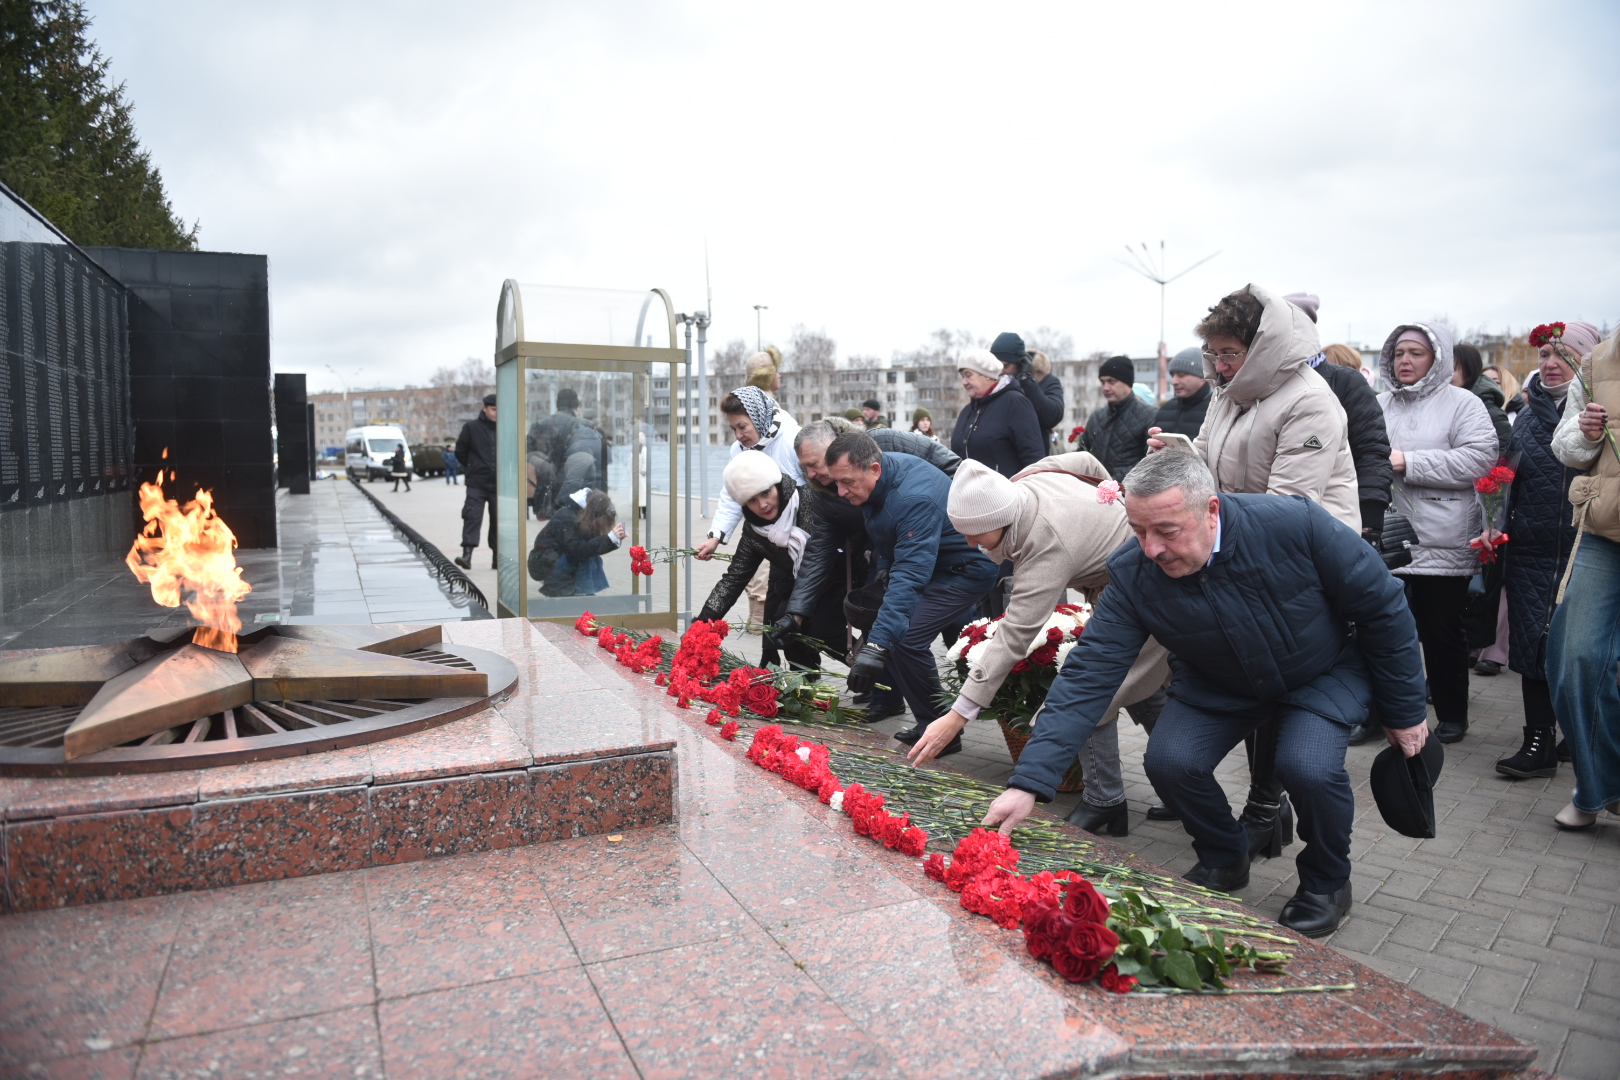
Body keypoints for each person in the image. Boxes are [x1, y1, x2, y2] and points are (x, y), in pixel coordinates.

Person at [980, 452, 1429, 938]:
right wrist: (1028, 782)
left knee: (1308, 767)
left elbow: (1383, 607)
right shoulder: (1133, 572)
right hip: (1219, 678)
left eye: (1167, 531)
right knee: (1170, 761)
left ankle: (1327, 882)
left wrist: (1405, 711)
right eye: (1138, 530)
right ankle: (1225, 856)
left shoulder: (1294, 524)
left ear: (1211, 509)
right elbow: (1090, 672)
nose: (1151, 549)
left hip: (1320, 669)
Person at [908, 454, 1174, 837]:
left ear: (999, 519)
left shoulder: (1045, 545)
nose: (969, 543)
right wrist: (1110, 499)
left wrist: (959, 714)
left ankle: (1107, 800)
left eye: (975, 533)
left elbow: (1015, 634)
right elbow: (1085, 461)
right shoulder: (1023, 481)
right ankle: (1174, 786)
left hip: (1140, 582)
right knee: (1136, 683)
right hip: (1114, 581)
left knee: (1091, 689)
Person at [828, 433, 1001, 752]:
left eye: (847, 482)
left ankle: (941, 731)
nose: (841, 491)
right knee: (902, 634)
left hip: (965, 569)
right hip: (937, 563)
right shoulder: (880, 481)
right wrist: (884, 570)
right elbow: (891, 538)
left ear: (874, 469)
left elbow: (911, 574)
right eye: (836, 482)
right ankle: (935, 721)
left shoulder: (911, 497)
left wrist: (876, 646)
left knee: (904, 639)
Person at [781, 419, 961, 723]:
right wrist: (796, 612)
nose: (811, 474)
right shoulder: (822, 493)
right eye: (804, 468)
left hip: (944, 543)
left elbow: (954, 469)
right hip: (885, 555)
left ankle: (974, 700)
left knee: (955, 627)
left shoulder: (886, 443)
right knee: (879, 621)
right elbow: (819, 550)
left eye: (814, 464)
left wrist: (957, 522)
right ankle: (887, 698)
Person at [1378, 322, 1497, 744]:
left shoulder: (1463, 403)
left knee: (1441, 632)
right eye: (1399, 353)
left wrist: (1407, 461)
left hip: (1441, 537)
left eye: (1416, 353)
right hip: (1386, 536)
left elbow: (1479, 459)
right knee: (1382, 633)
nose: (1405, 361)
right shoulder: (1379, 404)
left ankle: (1451, 715)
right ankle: (1383, 714)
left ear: (1438, 358)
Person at [1492, 322, 1593, 781]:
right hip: (1531, 552)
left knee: (1582, 650)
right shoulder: (1527, 417)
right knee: (1533, 645)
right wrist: (1493, 524)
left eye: (1564, 354)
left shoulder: (1603, 413)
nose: (1551, 363)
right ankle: (1538, 742)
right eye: (1545, 355)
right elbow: (1505, 480)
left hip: (1586, 550)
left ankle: (1583, 732)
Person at [1546, 322, 1619, 829]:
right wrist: (1587, 432)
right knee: (1573, 657)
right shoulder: (1597, 361)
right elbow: (1566, 447)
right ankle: (1597, 788)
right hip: (1605, 529)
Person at [1282, 293, 1393, 545]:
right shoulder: (1264, 383)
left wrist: (1369, 520)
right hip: (1284, 519)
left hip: (1340, 520)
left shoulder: (1344, 380)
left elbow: (1371, 450)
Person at [697, 454, 825, 671]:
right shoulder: (754, 532)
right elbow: (733, 579)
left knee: (826, 631)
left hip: (835, 580)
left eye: (766, 493)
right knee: (786, 629)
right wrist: (701, 625)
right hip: (796, 585)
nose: (763, 505)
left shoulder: (808, 501)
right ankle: (806, 680)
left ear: (777, 485)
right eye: (752, 500)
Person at [949, 347, 1044, 476]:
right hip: (970, 488)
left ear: (987, 375)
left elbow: (1034, 458)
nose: (964, 382)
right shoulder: (967, 412)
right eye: (962, 376)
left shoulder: (1015, 403)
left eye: (968, 375)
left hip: (1009, 488)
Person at [528, 488, 626, 597]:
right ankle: (582, 593)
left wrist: (613, 540)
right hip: (545, 564)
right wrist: (609, 538)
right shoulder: (566, 516)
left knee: (592, 556)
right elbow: (579, 550)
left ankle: (584, 593)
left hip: (556, 558)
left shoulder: (579, 513)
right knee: (587, 558)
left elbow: (589, 547)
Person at [1081, 356, 1156, 481]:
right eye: (1103, 382)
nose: (1106, 388)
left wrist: (1114, 481)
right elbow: (1082, 453)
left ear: (1127, 382)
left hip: (1129, 490)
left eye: (1112, 381)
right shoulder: (1096, 417)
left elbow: (1150, 462)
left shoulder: (1150, 415)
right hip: (1093, 488)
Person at [990, 332, 1065, 435]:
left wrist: (1026, 380)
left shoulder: (1047, 381)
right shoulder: (990, 381)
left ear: (1021, 364)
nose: (1000, 371)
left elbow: (1052, 417)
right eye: (996, 366)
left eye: (1005, 366)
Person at [454, 393, 497, 570]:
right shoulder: (471, 428)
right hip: (477, 483)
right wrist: (472, 468)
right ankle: (467, 555)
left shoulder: (506, 428)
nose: (496, 413)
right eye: (493, 409)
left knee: (499, 520)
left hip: (500, 484)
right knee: (472, 516)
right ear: (484, 408)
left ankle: (497, 558)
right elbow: (460, 451)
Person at [1454, 343, 1512, 453]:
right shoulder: (1441, 403)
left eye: (1452, 369)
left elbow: (1503, 453)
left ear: (1468, 371)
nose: (1445, 374)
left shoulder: (1491, 412)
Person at [1151, 347, 1211, 439]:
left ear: (1203, 377)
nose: (1174, 382)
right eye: (1173, 375)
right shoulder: (1165, 409)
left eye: (1181, 375)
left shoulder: (1216, 410)